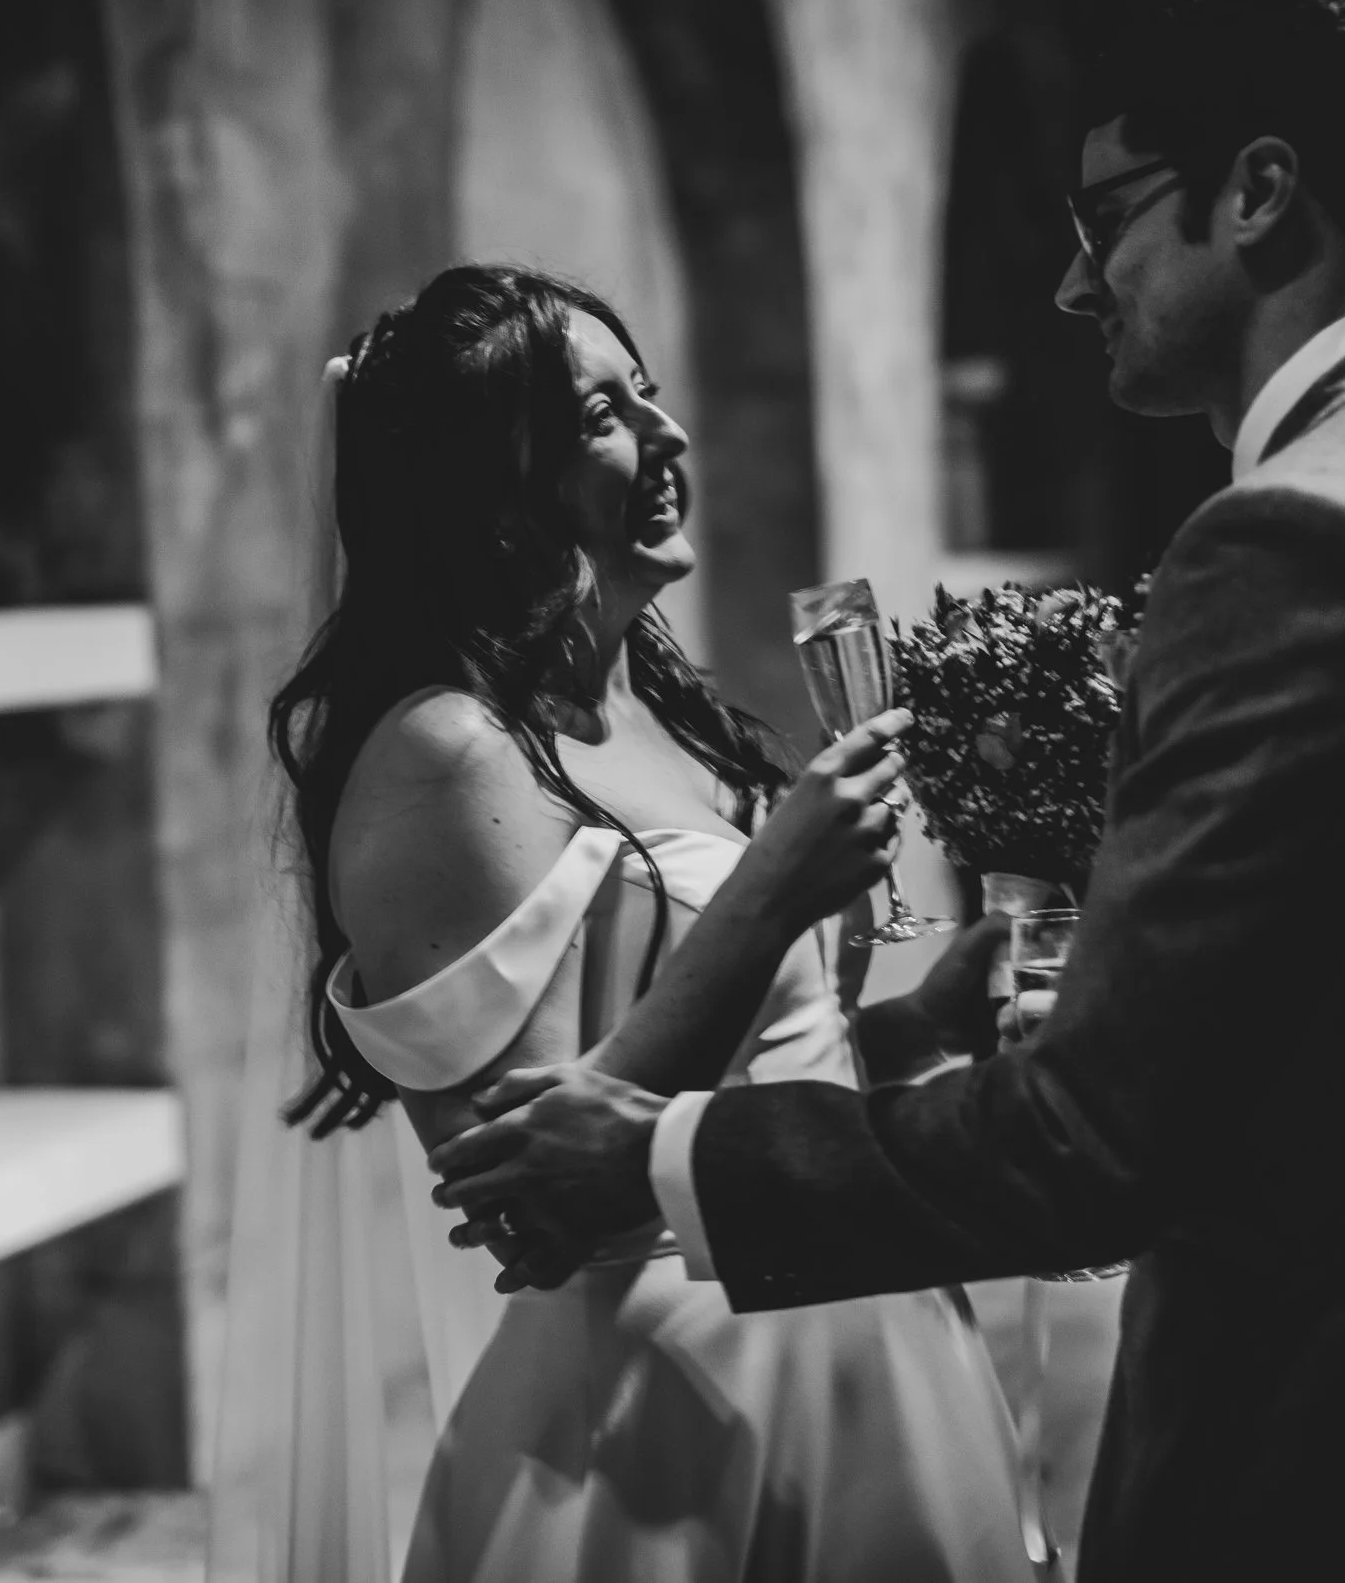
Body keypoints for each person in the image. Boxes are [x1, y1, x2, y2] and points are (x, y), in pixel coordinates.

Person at [429, 0, 1345, 1582]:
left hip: (1344, 1470)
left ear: (1257, 191)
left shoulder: (1298, 540)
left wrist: (653, 1153)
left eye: (1107, 218)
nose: (1069, 283)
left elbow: (1098, 1151)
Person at [260, 263, 1036, 1580]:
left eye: (650, 396)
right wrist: (775, 888)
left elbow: (762, 1072)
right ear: (494, 483)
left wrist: (919, 1026)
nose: (666, 435)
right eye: (603, 413)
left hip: (861, 1337)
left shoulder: (668, 715)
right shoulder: (445, 757)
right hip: (657, 1424)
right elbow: (541, 1200)